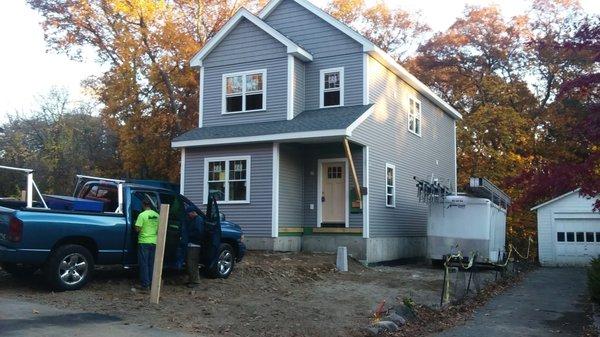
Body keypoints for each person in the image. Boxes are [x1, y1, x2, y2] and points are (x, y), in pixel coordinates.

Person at [135, 199, 159, 291]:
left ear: (143, 205)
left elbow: (138, 229)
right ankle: (152, 283)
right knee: (151, 263)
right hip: (154, 241)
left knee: (144, 264)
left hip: (144, 241)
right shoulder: (157, 215)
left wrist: (135, 226)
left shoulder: (142, 215)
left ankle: (145, 285)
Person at [185, 207, 205, 288]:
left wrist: (188, 235)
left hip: (195, 245)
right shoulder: (194, 220)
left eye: (189, 213)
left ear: (193, 212)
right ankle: (192, 280)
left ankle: (196, 282)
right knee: (190, 263)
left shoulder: (198, 220)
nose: (188, 215)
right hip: (192, 244)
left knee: (192, 263)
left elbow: (198, 232)